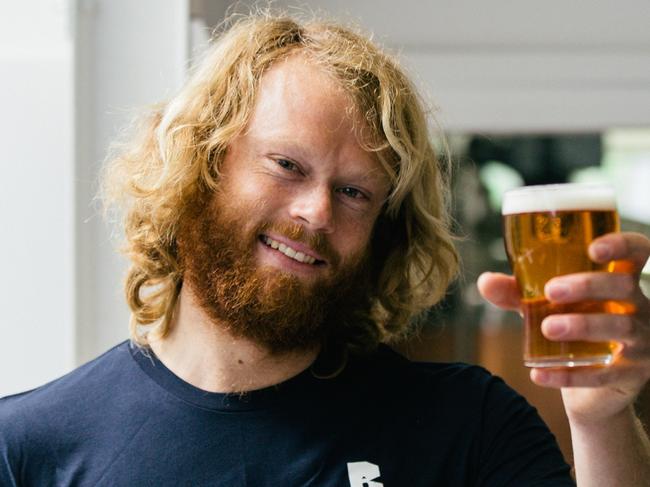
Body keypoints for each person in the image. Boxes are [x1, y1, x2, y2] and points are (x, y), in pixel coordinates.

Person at [1, 12, 649, 487]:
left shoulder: (465, 427)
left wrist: (603, 420)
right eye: (286, 164)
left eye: (354, 191)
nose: (316, 210)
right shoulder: (30, 446)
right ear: (202, 166)